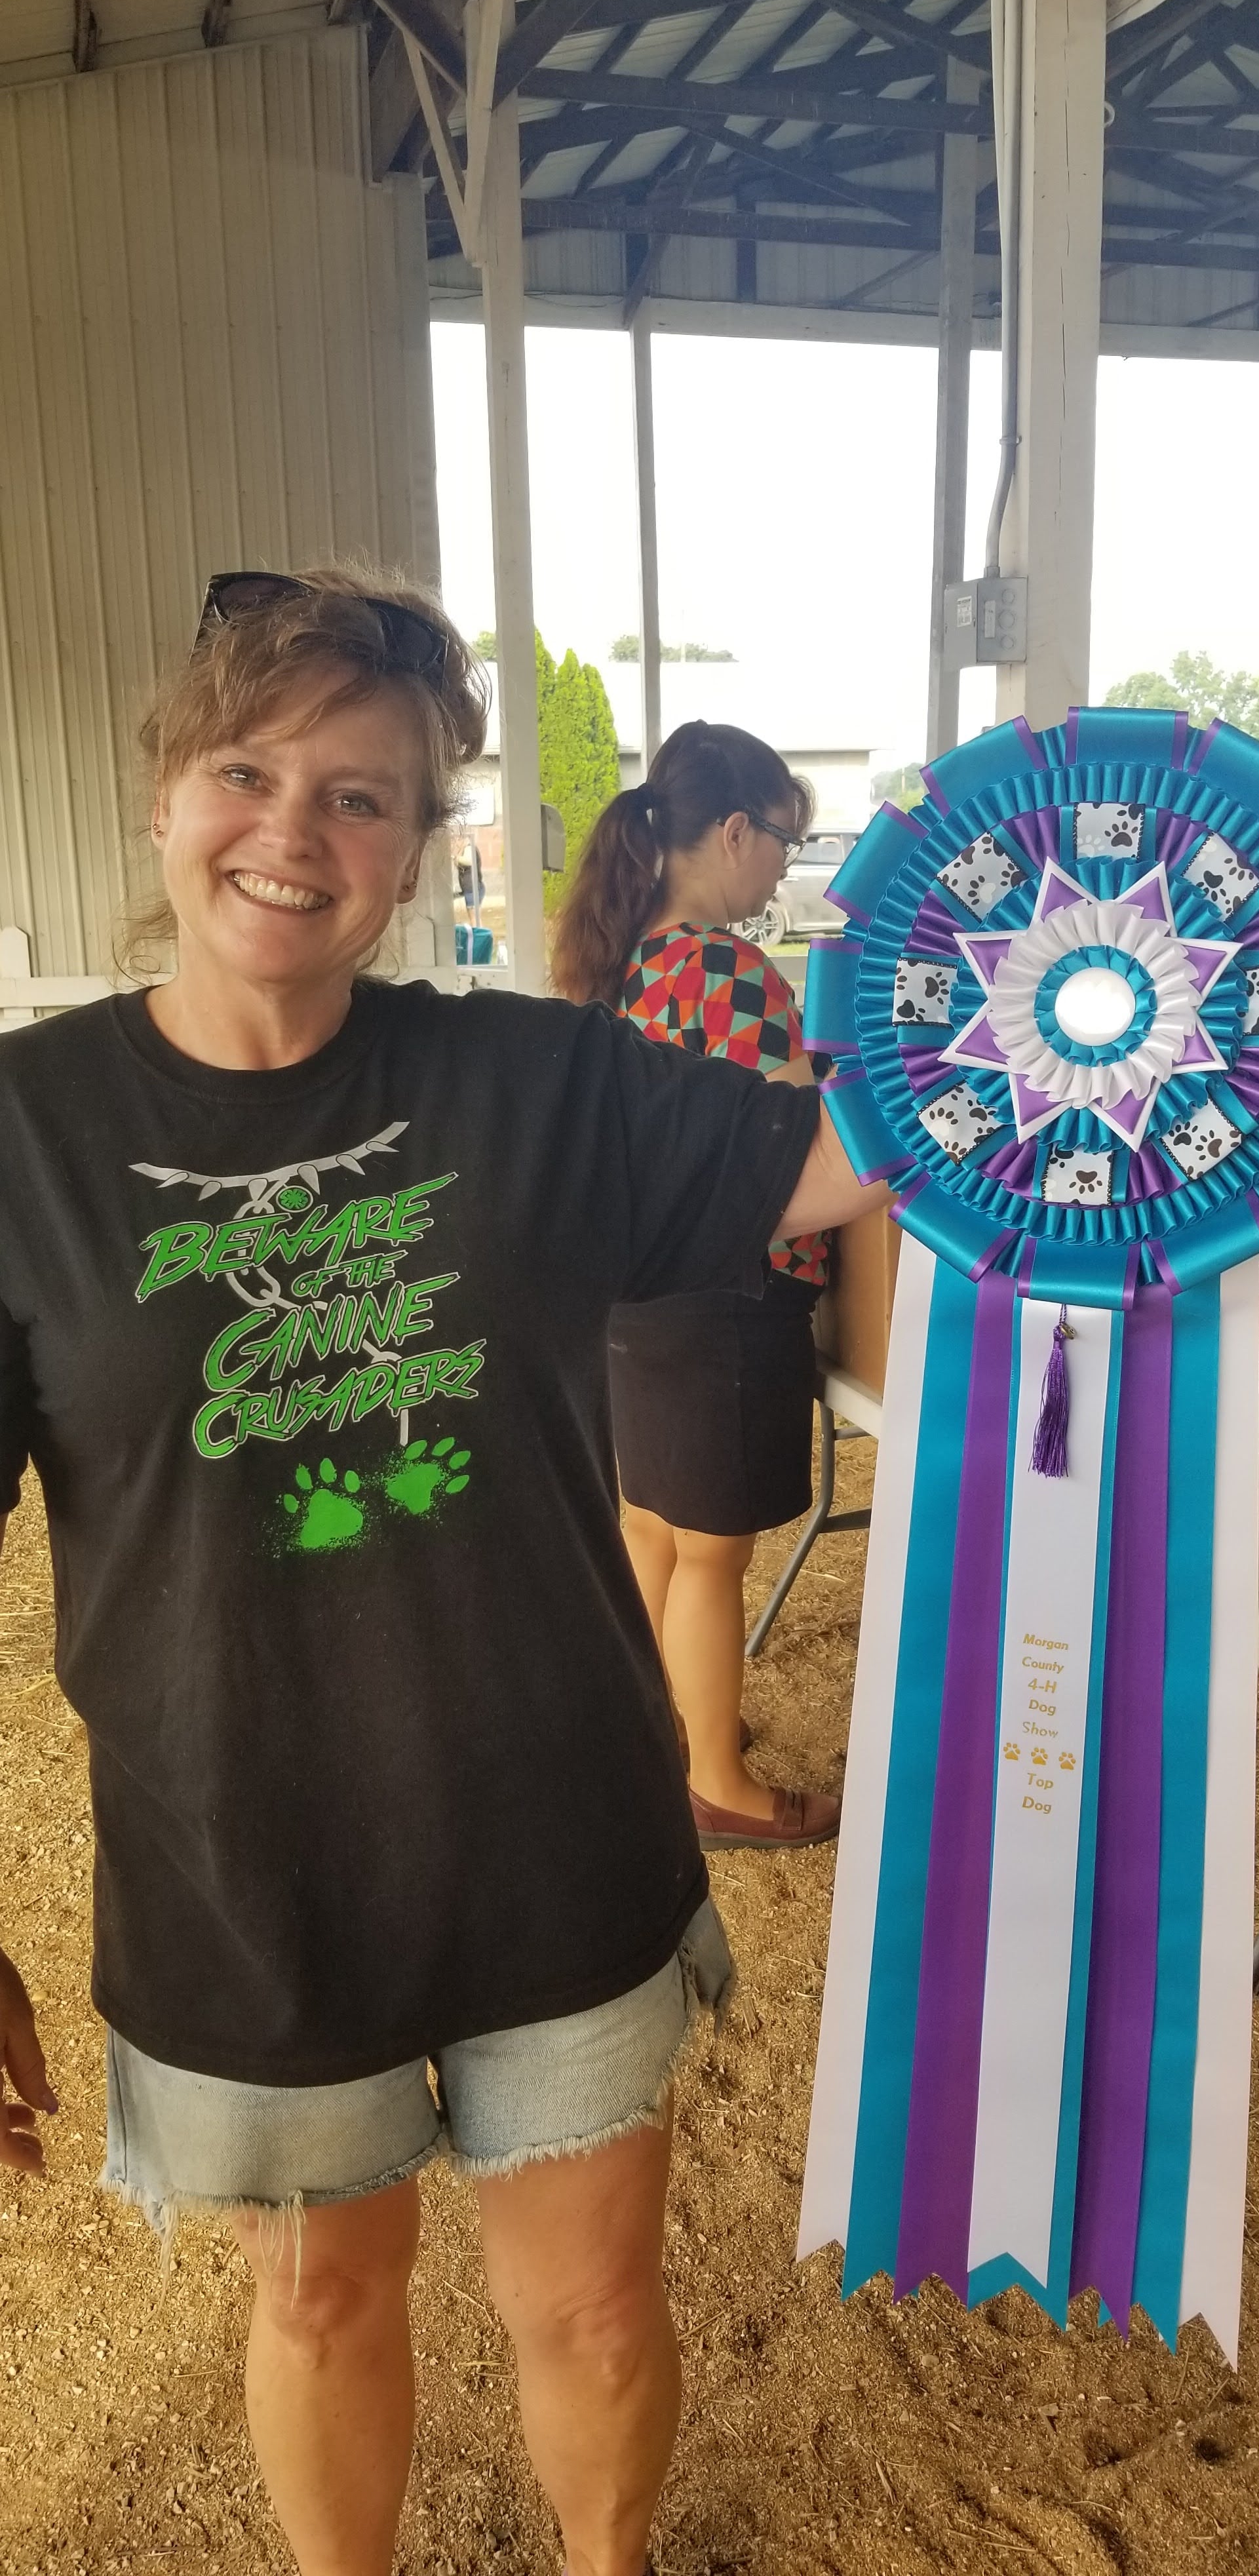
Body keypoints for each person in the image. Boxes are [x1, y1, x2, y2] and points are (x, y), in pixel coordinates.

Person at [0, 569, 883, 2576]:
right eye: (250, 772)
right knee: (318, 2297)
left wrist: (1082, 1041)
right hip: (245, 1859)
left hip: (555, 1829)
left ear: (420, 846)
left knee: (584, 2303)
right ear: (166, 799)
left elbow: (830, 1165)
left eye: (366, 797)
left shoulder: (529, 1084)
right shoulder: (22, 1140)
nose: (296, 835)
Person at [552, 723, 840, 1853]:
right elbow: (792, 1139)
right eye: (782, 842)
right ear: (733, 832)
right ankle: (718, 1782)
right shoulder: (726, 970)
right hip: (727, 1287)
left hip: (636, 1295)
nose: (783, 868)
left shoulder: (624, 965)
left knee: (656, 1528)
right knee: (714, 1547)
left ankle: (669, 1732)